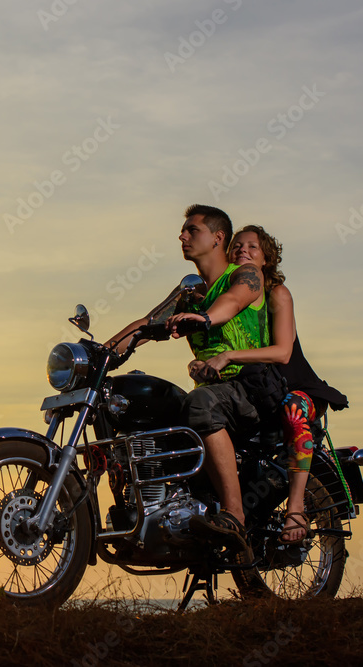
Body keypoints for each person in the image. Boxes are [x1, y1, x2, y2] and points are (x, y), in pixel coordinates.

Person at [108, 205, 267, 549]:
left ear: (217, 238)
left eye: (191, 230)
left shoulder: (245, 274)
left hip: (249, 385)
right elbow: (146, 325)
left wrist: (206, 318)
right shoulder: (189, 293)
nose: (182, 236)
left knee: (199, 402)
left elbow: (234, 301)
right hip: (214, 392)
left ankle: (235, 515)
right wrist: (103, 353)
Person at [182, 225, 348, 543]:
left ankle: (296, 507)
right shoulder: (226, 294)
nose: (243, 250)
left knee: (294, 408)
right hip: (255, 386)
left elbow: (282, 351)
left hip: (292, 384)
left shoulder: (275, 293)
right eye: (237, 246)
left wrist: (230, 356)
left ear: (266, 261)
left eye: (252, 247)